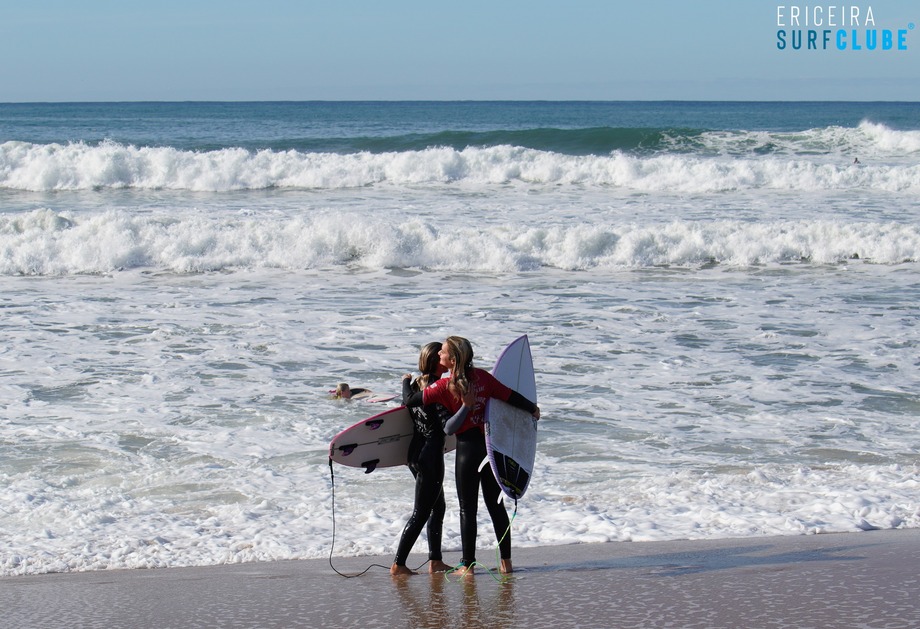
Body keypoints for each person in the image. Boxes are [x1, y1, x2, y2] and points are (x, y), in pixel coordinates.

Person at [404, 336, 540, 577]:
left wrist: (405, 382)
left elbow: (410, 401)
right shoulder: (483, 378)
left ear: (452, 360)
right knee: (496, 506)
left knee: (468, 509)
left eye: (443, 352)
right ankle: (506, 563)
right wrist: (532, 408)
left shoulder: (443, 386)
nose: (439, 355)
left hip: (467, 450)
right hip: (490, 448)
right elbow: (510, 396)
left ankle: (467, 565)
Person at [390, 342, 455, 576]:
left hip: (414, 454)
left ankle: (435, 561)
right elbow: (448, 423)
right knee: (422, 512)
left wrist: (405, 383)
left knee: (438, 506)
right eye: (444, 355)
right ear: (436, 361)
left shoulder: (416, 386)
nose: (448, 359)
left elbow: (403, 412)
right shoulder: (438, 389)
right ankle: (398, 564)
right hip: (431, 455)